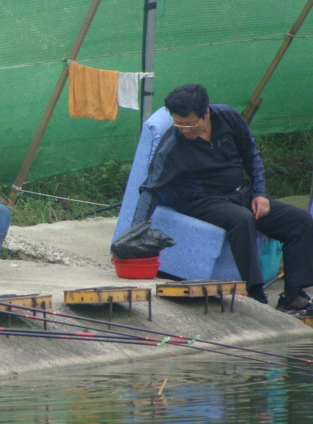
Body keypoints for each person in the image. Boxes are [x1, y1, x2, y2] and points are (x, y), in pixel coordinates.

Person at [132, 84, 313, 312]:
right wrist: (135, 231)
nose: (184, 129)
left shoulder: (228, 117)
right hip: (200, 200)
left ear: (206, 113)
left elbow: (251, 155)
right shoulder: (173, 144)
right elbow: (151, 188)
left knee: (300, 221)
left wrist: (260, 193)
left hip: (240, 193)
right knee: (242, 219)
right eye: (178, 123)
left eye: (190, 124)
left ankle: (292, 295)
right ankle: (255, 294)